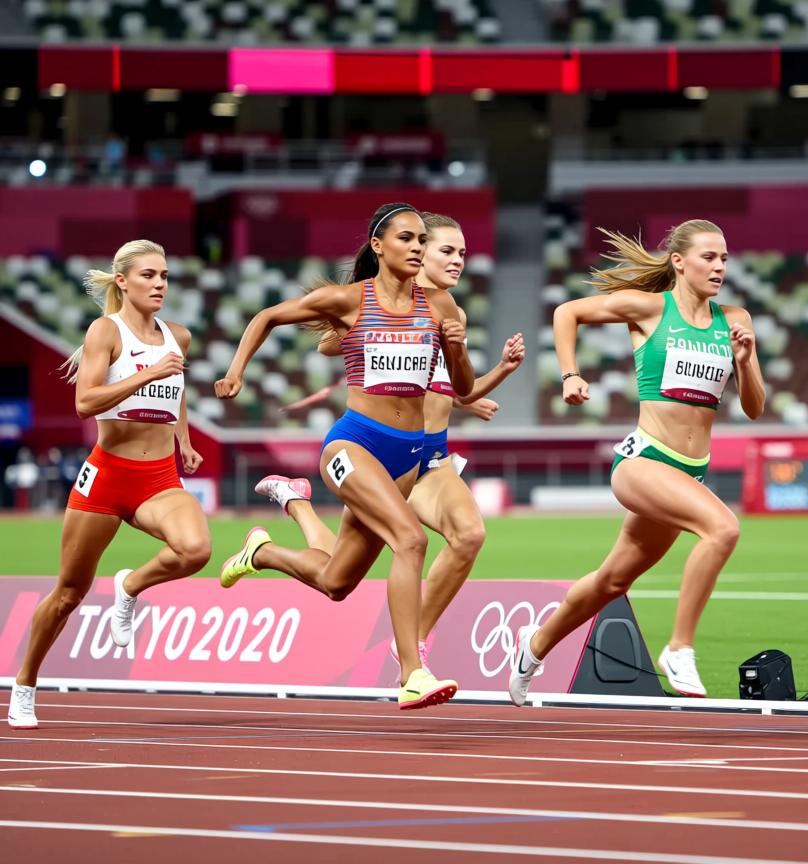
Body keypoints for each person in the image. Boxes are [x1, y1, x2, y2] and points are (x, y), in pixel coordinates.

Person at [214, 203, 474, 710]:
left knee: (336, 582)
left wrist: (458, 348)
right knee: (411, 539)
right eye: (407, 238)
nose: (418, 247)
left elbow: (461, 387)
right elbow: (269, 315)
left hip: (409, 457)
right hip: (355, 444)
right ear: (379, 246)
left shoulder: (440, 307)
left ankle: (260, 552)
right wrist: (236, 370)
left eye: (423, 239)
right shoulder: (347, 300)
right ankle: (412, 672)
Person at [255, 211, 525, 676]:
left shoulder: (448, 313)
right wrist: (350, 333)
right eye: (445, 249)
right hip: (373, 446)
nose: (457, 259)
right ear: (411, 254)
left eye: (462, 252)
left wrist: (484, 382)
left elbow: (455, 387)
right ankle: (410, 658)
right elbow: (340, 346)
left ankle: (414, 637)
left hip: (427, 454)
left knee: (454, 540)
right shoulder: (380, 304)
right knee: (397, 546)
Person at [508, 219, 766, 705]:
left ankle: (533, 648)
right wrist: (569, 374)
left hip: (689, 470)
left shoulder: (736, 319)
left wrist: (746, 361)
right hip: (645, 462)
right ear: (679, 261)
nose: (719, 267)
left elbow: (754, 407)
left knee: (613, 580)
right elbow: (567, 312)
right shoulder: (649, 308)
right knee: (723, 529)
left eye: (725, 258)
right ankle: (679, 648)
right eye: (709, 257)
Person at [7, 240, 211, 730]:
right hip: (107, 476)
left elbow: (177, 390)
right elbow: (86, 402)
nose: (160, 284)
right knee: (68, 592)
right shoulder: (106, 331)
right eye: (148, 276)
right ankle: (25, 685)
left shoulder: (177, 337)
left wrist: (182, 438)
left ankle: (130, 586)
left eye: (164, 276)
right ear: (123, 281)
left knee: (196, 549)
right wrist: (149, 375)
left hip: (158, 477)